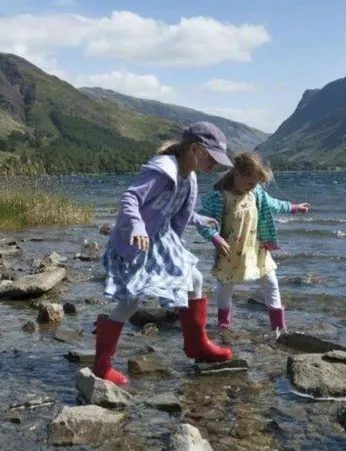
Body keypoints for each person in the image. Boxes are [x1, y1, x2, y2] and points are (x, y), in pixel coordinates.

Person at [93, 122, 235, 386]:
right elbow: (130, 198)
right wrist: (136, 225)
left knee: (194, 278)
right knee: (131, 301)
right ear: (195, 149)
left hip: (162, 239)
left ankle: (196, 344)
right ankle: (102, 363)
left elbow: (171, 209)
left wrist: (199, 220)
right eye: (212, 158)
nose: (214, 165)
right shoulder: (162, 170)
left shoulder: (187, 176)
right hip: (139, 242)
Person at [197, 152, 310, 338]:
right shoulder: (220, 197)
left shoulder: (256, 193)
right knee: (226, 287)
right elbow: (203, 221)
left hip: (257, 249)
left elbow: (273, 204)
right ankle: (224, 324)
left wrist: (293, 207)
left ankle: (279, 329)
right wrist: (215, 237)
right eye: (250, 182)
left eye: (256, 183)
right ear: (237, 174)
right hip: (230, 252)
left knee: (271, 283)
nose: (253, 187)